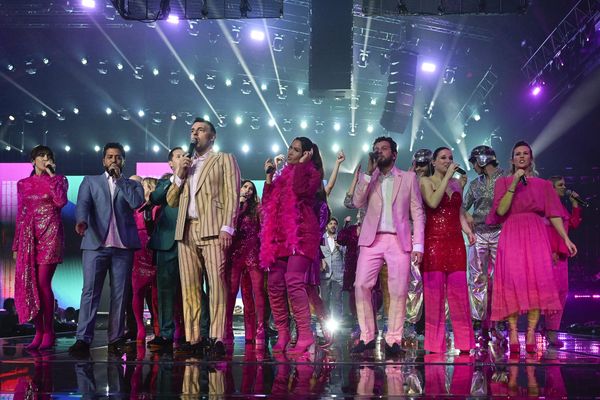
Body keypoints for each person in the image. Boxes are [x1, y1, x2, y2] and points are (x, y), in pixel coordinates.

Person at [486, 141, 577, 354]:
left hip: (536, 233)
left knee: (536, 282)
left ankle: (530, 333)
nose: (521, 157)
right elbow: (501, 210)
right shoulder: (504, 181)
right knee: (512, 281)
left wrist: (566, 239)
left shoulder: (544, 185)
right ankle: (513, 332)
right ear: (511, 159)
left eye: (525, 153)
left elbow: (554, 214)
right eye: (517, 154)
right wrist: (514, 182)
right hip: (512, 232)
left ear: (531, 158)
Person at [167, 117, 241, 357]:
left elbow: (232, 194)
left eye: (200, 130)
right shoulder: (186, 164)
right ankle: (193, 337)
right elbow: (171, 200)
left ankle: (217, 337)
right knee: (190, 287)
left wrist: (228, 227)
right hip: (186, 230)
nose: (194, 134)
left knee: (217, 283)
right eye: (192, 130)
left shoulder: (224, 159)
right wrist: (179, 174)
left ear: (212, 136)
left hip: (212, 229)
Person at [351, 136, 425, 357]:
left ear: (394, 154)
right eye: (376, 149)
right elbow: (356, 202)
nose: (379, 152)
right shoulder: (369, 178)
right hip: (371, 240)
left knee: (399, 289)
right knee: (361, 285)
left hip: (398, 239)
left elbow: (418, 212)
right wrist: (367, 174)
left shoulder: (408, 178)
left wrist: (418, 244)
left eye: (383, 149)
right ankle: (367, 336)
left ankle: (394, 338)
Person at [69, 142, 144, 356]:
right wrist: (82, 220)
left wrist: (120, 180)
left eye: (118, 157)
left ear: (123, 161)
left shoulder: (132, 184)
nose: (114, 160)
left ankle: (116, 338)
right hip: (95, 245)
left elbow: (135, 203)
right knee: (90, 292)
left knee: (120, 294)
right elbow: (83, 204)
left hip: (123, 247)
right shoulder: (90, 182)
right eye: (110, 157)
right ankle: (83, 338)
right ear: (103, 160)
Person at [260, 137, 323, 355]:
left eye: (296, 150)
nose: (290, 152)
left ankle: (305, 335)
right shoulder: (280, 176)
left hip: (303, 233)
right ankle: (283, 333)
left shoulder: (312, 174)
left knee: (294, 280)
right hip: (280, 237)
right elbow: (267, 204)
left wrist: (304, 164)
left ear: (307, 154)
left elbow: (299, 190)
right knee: (274, 284)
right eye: (290, 148)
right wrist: (269, 178)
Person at [419, 147, 475, 353]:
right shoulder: (425, 182)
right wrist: (448, 177)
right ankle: (435, 345)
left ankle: (465, 344)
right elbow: (433, 203)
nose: (447, 161)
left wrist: (468, 231)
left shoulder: (456, 184)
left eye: (450, 158)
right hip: (434, 243)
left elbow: (458, 213)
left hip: (455, 243)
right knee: (434, 298)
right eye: (443, 158)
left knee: (459, 294)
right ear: (433, 162)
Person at [12, 145, 68, 350]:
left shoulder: (59, 180)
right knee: (30, 284)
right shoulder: (23, 184)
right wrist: (16, 243)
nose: (45, 159)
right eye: (41, 156)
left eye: (48, 156)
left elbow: (61, 202)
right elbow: (20, 213)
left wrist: (52, 176)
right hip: (29, 236)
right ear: (33, 160)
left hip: (51, 235)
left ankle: (49, 331)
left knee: (43, 283)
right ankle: (38, 331)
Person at [463, 145, 505, 343]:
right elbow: (461, 208)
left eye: (473, 162)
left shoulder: (505, 178)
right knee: (477, 279)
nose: (472, 166)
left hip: (501, 232)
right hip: (479, 233)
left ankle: (498, 323)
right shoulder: (474, 184)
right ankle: (479, 324)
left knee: (500, 278)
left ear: (481, 160)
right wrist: (468, 219)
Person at [146, 148, 186, 350]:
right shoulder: (164, 182)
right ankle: (165, 333)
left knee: (193, 290)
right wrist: (175, 177)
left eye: (184, 155)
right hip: (166, 243)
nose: (183, 157)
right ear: (171, 163)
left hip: (189, 242)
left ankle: (197, 334)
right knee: (165, 291)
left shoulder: (193, 181)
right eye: (178, 156)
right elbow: (155, 198)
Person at [224, 179, 266, 347]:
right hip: (235, 256)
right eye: (245, 187)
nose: (247, 190)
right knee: (232, 292)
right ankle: (227, 328)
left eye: (251, 188)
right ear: (239, 188)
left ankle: (257, 330)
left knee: (255, 293)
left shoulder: (258, 209)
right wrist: (238, 207)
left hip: (253, 255)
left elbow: (263, 230)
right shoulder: (231, 208)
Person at [545, 176, 583, 348]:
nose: (564, 188)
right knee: (549, 295)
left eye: (564, 185)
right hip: (550, 256)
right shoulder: (545, 207)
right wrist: (550, 250)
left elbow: (573, 224)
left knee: (562, 293)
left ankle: (552, 330)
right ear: (551, 189)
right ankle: (547, 331)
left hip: (562, 257)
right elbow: (545, 232)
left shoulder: (561, 207)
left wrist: (575, 205)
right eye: (560, 185)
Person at [130, 176, 159, 344]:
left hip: (153, 248)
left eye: (146, 186)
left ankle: (157, 328)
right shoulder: (134, 207)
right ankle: (140, 327)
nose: (143, 189)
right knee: (138, 290)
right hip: (138, 249)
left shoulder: (157, 207)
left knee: (156, 293)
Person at [320, 217, 346, 318]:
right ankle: (325, 322)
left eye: (335, 224)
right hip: (324, 273)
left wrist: (341, 247)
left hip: (338, 273)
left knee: (337, 299)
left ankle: (337, 322)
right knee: (324, 300)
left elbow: (347, 253)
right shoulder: (321, 238)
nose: (333, 225)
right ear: (326, 226)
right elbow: (317, 252)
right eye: (330, 223)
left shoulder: (340, 238)